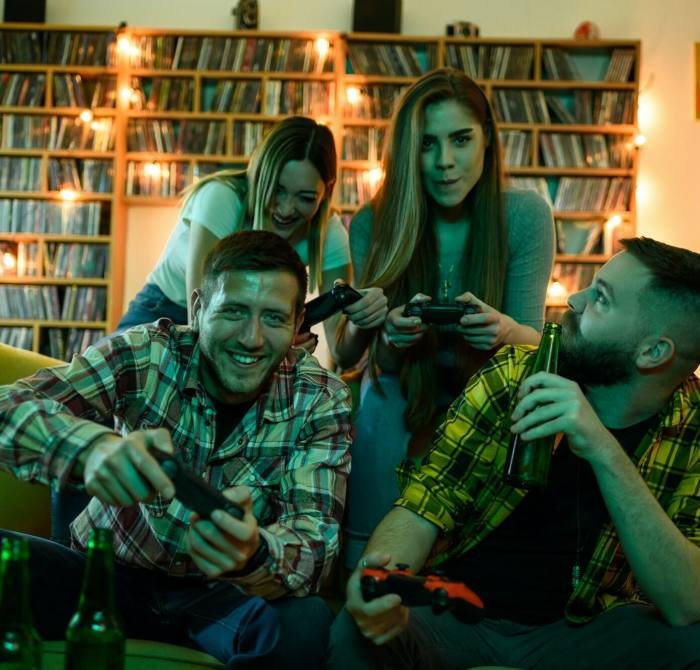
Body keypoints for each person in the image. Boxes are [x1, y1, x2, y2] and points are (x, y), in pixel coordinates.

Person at [329, 237, 700, 670]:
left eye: (601, 299)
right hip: (462, 614)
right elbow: (428, 500)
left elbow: (686, 602)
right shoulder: (515, 373)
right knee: (355, 631)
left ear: (654, 352)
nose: (575, 300)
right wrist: (383, 582)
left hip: (584, 632)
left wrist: (601, 448)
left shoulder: (691, 431)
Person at [0, 230, 352, 669]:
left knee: (306, 621)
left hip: (224, 596)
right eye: (235, 311)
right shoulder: (146, 352)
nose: (252, 339)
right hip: (106, 577)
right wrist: (92, 447)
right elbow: (7, 407)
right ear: (199, 307)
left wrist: (255, 552)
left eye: (274, 319)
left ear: (299, 322)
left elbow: (317, 542)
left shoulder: (319, 396)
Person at [336, 68, 555, 567]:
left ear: (488, 140)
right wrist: (391, 335)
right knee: (377, 409)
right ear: (407, 152)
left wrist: (503, 331)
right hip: (403, 391)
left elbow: (533, 344)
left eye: (461, 139)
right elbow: (378, 365)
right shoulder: (374, 221)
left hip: (490, 397)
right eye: (427, 144)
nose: (445, 162)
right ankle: (364, 573)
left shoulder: (525, 216)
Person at [117, 115, 387, 357]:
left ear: (326, 192)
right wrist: (278, 343)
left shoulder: (330, 234)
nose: (286, 209)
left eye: (305, 198)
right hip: (165, 311)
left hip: (237, 323)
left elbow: (342, 352)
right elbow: (201, 321)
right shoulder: (222, 197)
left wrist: (361, 321)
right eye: (277, 190)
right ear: (259, 176)